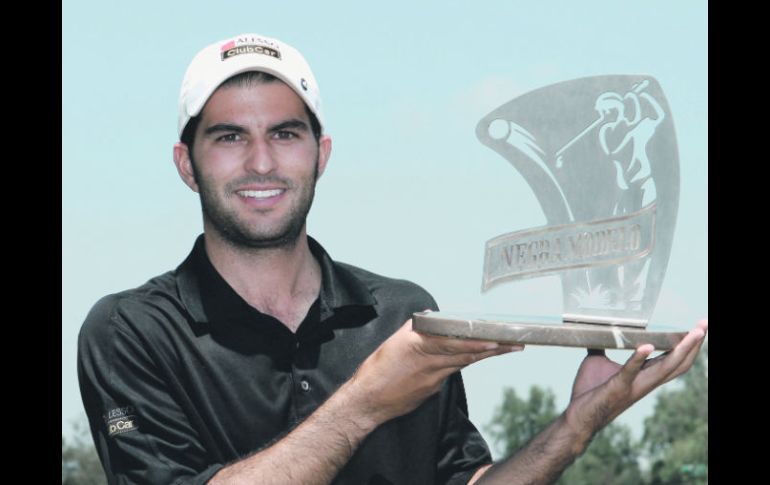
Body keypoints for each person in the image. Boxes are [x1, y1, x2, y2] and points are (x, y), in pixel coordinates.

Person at [77, 33, 708, 485]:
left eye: (285, 133)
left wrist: (575, 427)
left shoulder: (400, 315)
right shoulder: (131, 333)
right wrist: (369, 400)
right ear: (187, 164)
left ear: (321, 154)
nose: (261, 162)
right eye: (229, 137)